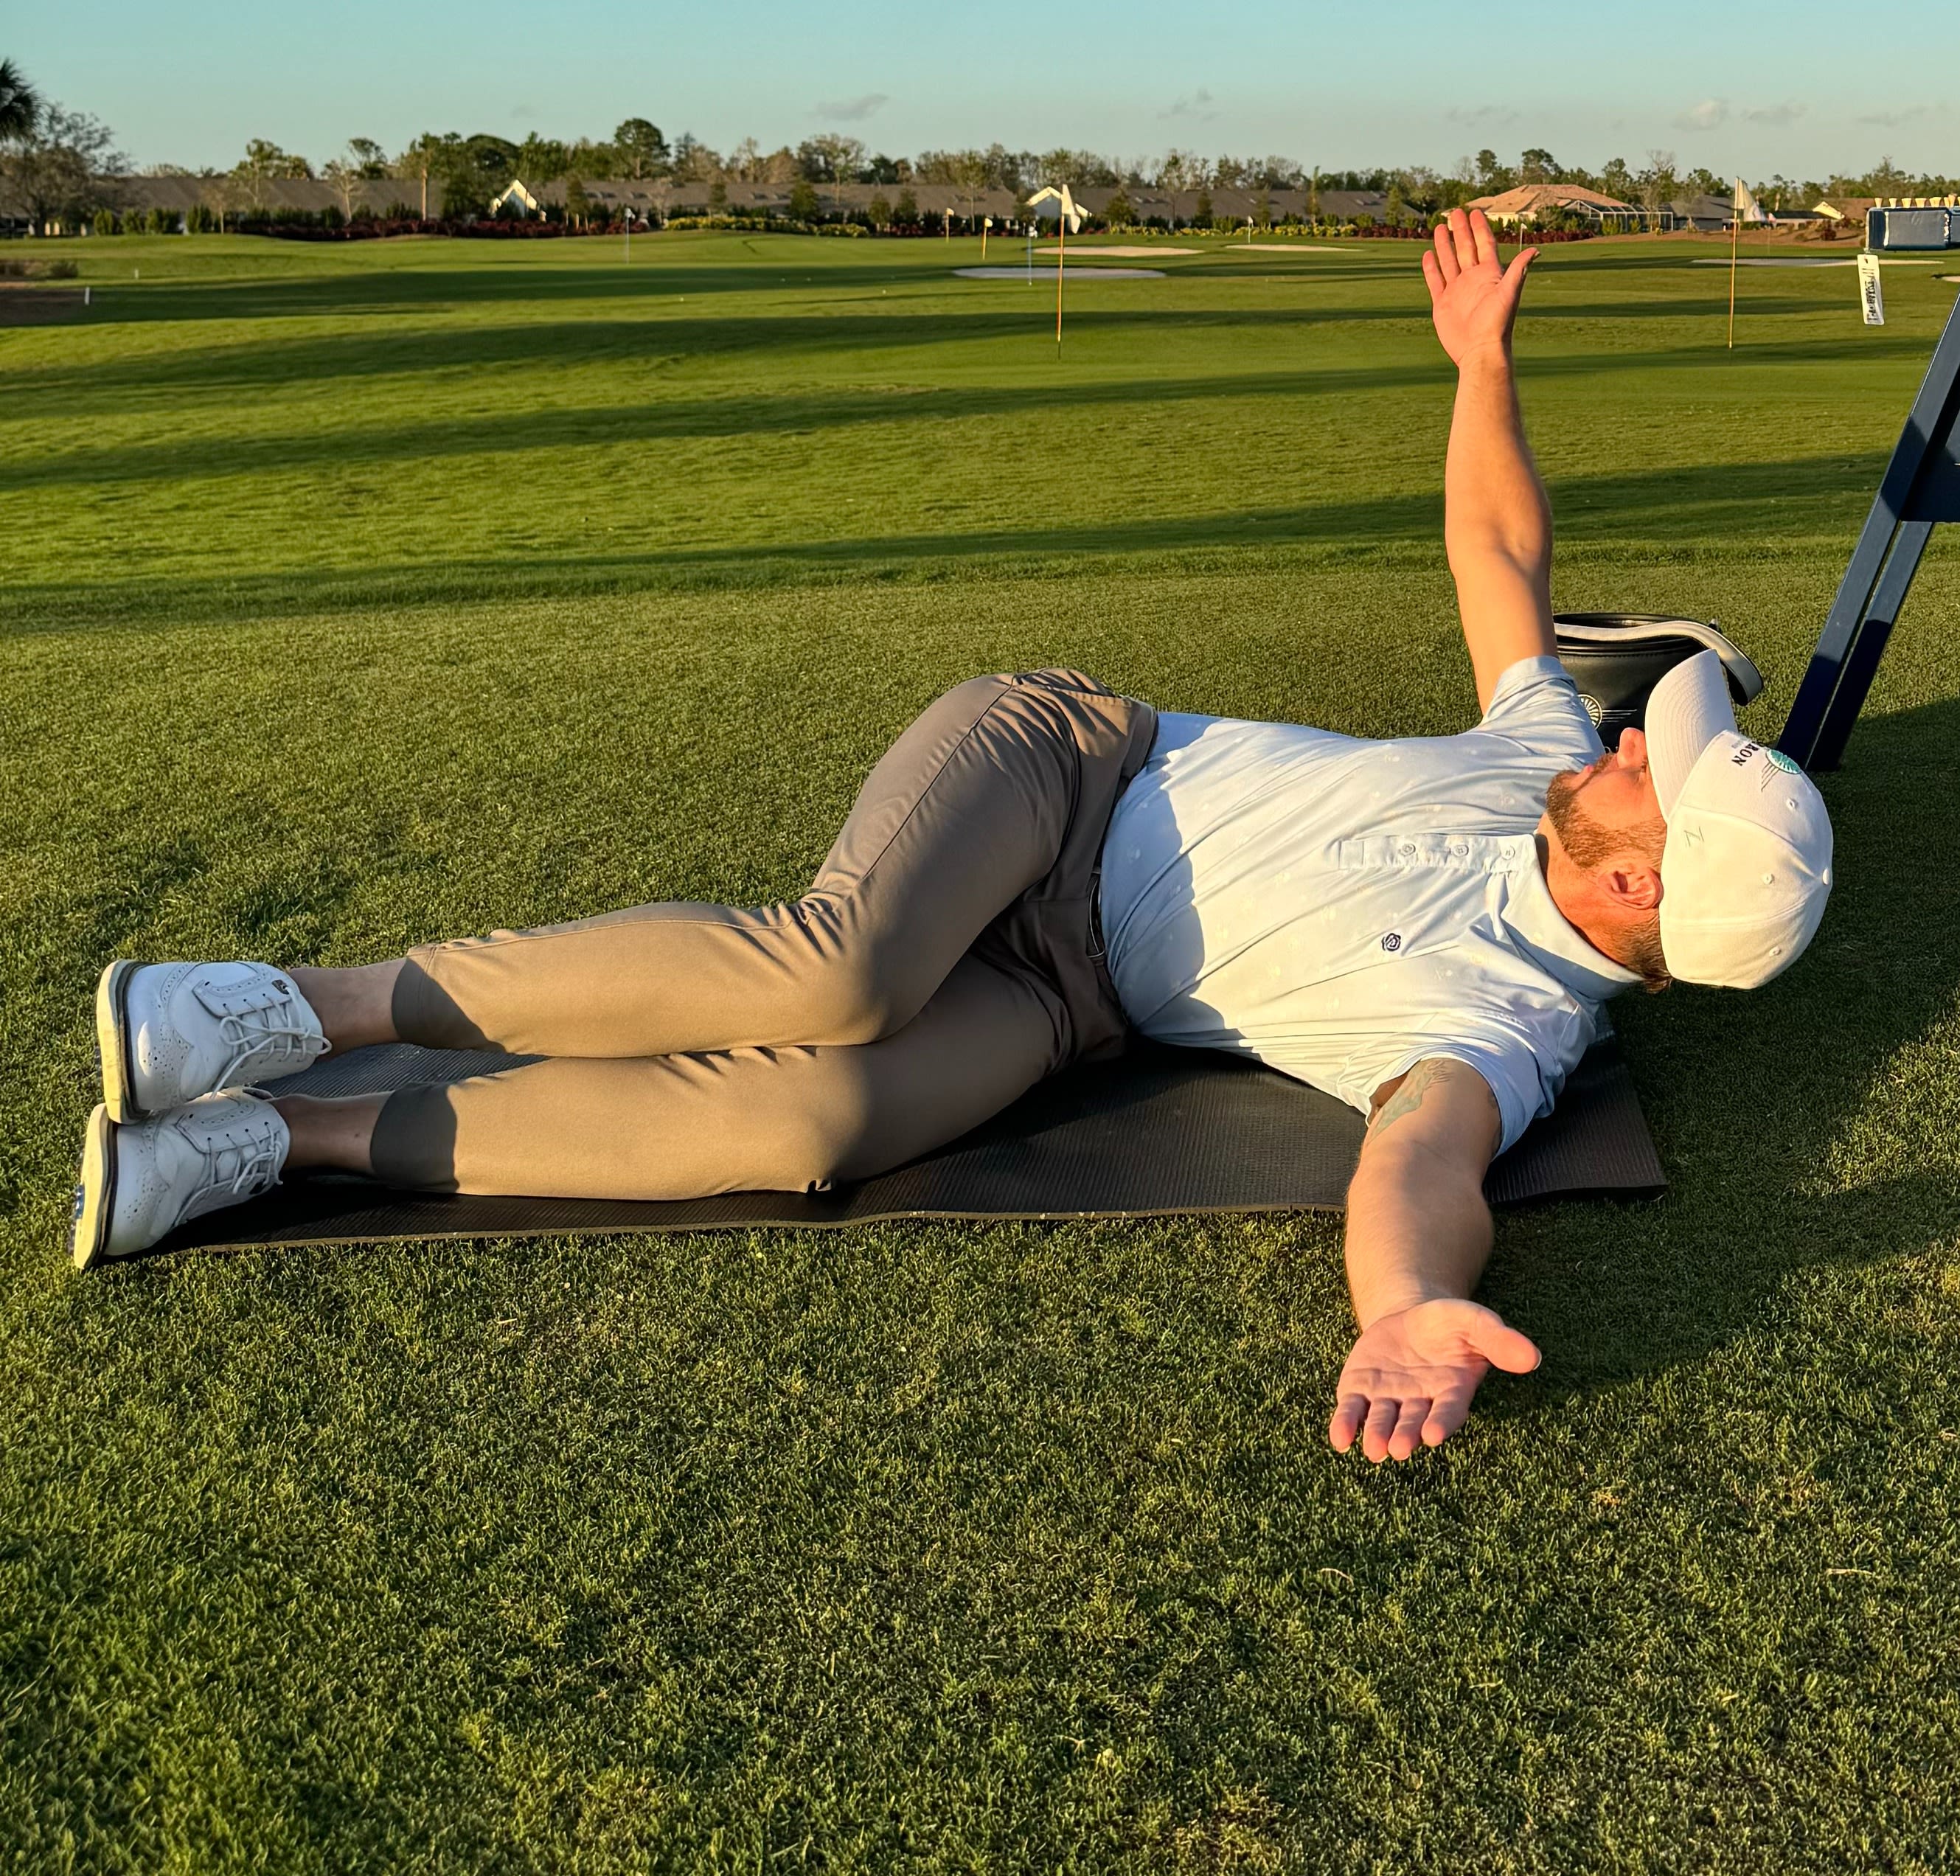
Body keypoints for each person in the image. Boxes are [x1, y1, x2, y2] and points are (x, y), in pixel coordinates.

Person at [69, 210, 1834, 1464]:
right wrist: (1481, 360)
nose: (1625, 733)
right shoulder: (1539, 750)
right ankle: (278, 1005)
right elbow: (1502, 553)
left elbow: (1418, 1175)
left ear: (1633, 887)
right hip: (1063, 770)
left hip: (1066, 1000)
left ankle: (273, 1140)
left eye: (1653, 770)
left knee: (810, 1125)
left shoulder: (1504, 1031)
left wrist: (1404, 1308)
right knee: (839, 971)